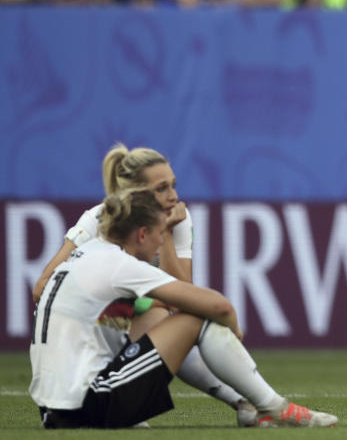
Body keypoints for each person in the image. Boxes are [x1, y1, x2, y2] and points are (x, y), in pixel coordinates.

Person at [30, 188, 338, 428]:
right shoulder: (119, 263)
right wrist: (231, 324)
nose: (162, 240)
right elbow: (215, 304)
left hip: (54, 411)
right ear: (141, 233)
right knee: (195, 319)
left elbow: (144, 308)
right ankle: (274, 407)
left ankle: (248, 406)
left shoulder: (84, 254)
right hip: (91, 403)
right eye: (160, 233)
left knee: (151, 313)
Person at [32, 144, 258, 427]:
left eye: (174, 185)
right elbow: (41, 288)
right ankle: (102, 397)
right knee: (165, 314)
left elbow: (183, 296)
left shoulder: (178, 218)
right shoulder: (98, 219)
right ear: (135, 193)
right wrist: (125, 301)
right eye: (161, 188)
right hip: (86, 343)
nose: (173, 196)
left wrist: (165, 234)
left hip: (120, 328)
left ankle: (242, 401)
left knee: (167, 316)